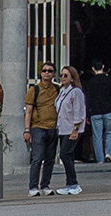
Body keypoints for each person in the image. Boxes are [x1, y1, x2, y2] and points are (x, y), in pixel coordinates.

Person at [23, 61, 61, 196]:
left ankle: (45, 185)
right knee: (37, 157)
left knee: (50, 158)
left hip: (53, 127)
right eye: (44, 71)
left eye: (50, 71)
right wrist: (27, 130)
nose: (47, 73)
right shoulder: (34, 90)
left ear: (54, 74)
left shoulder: (57, 89)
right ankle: (33, 187)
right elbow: (28, 111)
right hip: (38, 127)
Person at [54, 66, 87, 195]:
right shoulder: (62, 91)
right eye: (61, 75)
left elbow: (79, 111)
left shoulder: (76, 92)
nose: (62, 78)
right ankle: (69, 183)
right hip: (63, 128)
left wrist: (76, 129)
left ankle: (73, 183)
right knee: (68, 155)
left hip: (72, 128)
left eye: (66, 75)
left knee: (64, 154)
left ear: (72, 78)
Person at [85, 62, 111, 166]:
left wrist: (87, 114)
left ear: (93, 68)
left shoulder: (90, 82)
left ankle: (100, 159)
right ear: (103, 67)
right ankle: (108, 154)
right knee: (109, 132)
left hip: (95, 112)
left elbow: (88, 100)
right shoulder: (110, 81)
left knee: (97, 136)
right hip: (108, 111)